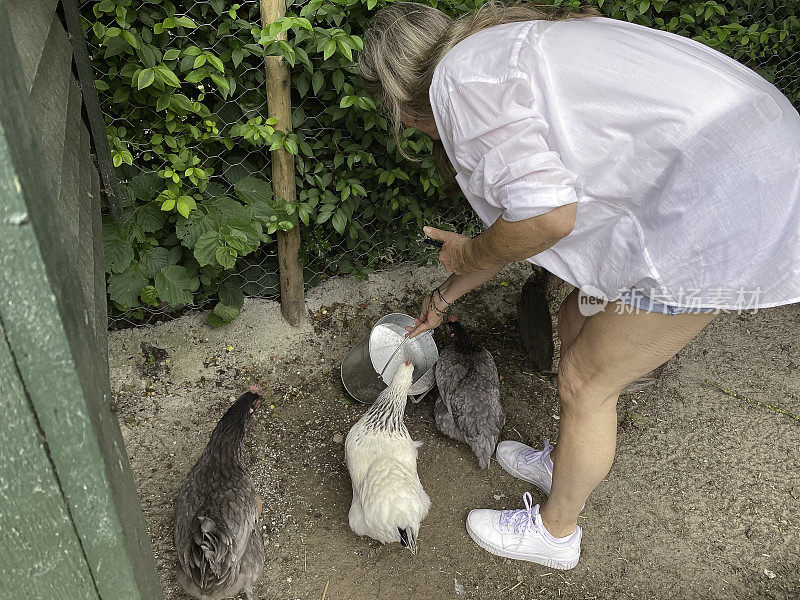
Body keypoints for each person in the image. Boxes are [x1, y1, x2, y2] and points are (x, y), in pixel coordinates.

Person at [358, 1, 800, 569]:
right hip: (734, 156)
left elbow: (545, 220)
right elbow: (527, 219)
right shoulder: (485, 55)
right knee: (574, 318)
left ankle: (556, 532)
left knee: (586, 379)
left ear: (396, 96)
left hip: (730, 199)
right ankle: (565, 461)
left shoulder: (460, 84)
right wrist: (443, 299)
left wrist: (468, 251)